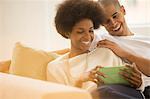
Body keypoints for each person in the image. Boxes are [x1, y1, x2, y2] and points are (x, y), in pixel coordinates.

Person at [47, 0, 144, 99]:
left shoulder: (107, 51)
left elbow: (131, 89)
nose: (87, 37)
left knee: (105, 91)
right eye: (80, 32)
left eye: (91, 31)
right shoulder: (56, 67)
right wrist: (80, 80)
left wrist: (139, 83)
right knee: (101, 91)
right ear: (67, 33)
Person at [89, 0, 150, 98]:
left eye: (115, 16)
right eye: (106, 21)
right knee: (100, 91)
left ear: (123, 10)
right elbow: (75, 44)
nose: (113, 23)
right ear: (101, 24)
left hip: (146, 89)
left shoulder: (147, 41)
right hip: (119, 89)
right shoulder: (101, 39)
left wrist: (123, 53)